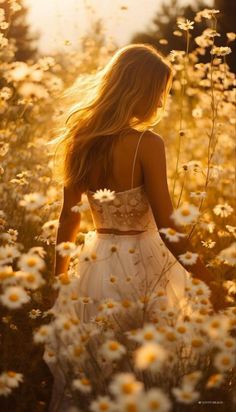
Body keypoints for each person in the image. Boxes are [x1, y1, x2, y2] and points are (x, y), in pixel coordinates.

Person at [45, 43, 228, 411]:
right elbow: (167, 226)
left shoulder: (80, 139)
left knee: (98, 369)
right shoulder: (148, 143)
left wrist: (59, 282)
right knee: (148, 369)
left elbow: (70, 217)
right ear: (140, 91)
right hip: (145, 267)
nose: (161, 104)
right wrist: (207, 279)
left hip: (94, 269)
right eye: (159, 93)